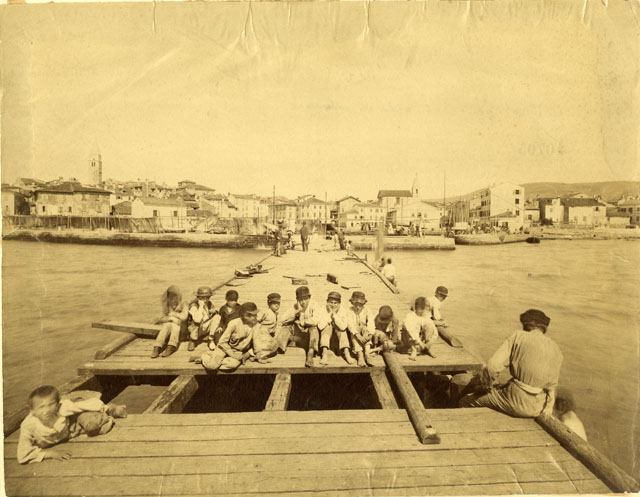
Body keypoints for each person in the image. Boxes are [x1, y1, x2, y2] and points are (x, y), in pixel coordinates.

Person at [458, 309, 563, 418]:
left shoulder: (518, 336)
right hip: (537, 407)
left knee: (465, 401)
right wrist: (548, 407)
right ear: (544, 328)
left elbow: (492, 367)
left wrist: (485, 387)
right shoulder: (556, 348)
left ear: (526, 325)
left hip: (514, 400)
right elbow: (552, 386)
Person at [17, 386, 127, 464]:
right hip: (69, 432)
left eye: (51, 405)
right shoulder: (28, 426)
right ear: (32, 411)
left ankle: (111, 410)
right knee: (93, 430)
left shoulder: (63, 408)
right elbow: (23, 455)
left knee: (92, 425)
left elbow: (84, 405)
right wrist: (51, 454)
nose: (47, 410)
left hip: (75, 418)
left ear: (58, 404)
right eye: (41, 407)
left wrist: (104, 408)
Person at [194, 302, 259, 371]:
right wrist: (232, 355)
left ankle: (213, 359)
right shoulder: (234, 323)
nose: (256, 317)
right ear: (245, 315)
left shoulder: (256, 326)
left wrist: (247, 354)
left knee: (232, 365)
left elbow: (257, 345)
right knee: (212, 366)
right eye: (253, 315)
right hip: (224, 349)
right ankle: (206, 356)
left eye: (255, 315)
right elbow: (222, 342)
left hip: (237, 352)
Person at [281, 286, 321, 367]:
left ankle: (310, 353)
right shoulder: (295, 306)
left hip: (310, 336)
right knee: (286, 327)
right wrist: (297, 311)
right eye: (300, 300)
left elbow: (316, 320)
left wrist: (303, 322)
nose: (303, 302)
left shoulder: (314, 305)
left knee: (314, 329)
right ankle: (279, 349)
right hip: (298, 335)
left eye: (305, 299)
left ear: (309, 298)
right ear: (297, 300)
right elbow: (282, 319)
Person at [317, 291, 354, 365]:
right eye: (331, 302)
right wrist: (329, 315)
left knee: (342, 331)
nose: (333, 305)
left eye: (335, 303)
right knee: (326, 327)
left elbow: (343, 327)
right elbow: (320, 326)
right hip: (326, 335)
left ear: (339, 303)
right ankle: (324, 355)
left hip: (338, 335)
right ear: (327, 302)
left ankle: (347, 354)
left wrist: (335, 316)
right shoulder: (322, 309)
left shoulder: (343, 311)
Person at [151, 285, 189, 358]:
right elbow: (160, 318)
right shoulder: (167, 304)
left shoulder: (184, 303)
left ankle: (171, 346)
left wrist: (173, 314)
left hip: (182, 330)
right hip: (170, 328)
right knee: (166, 325)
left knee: (175, 324)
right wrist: (170, 319)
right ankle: (157, 347)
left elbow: (184, 317)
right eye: (171, 297)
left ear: (179, 296)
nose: (173, 299)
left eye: (175, 297)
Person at [253, 293, 290, 363]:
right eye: (274, 303)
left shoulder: (275, 313)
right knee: (274, 345)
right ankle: (258, 356)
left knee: (274, 346)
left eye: (278, 303)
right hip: (262, 333)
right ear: (269, 303)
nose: (276, 305)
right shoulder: (265, 311)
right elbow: (255, 320)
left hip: (268, 335)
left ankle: (259, 355)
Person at [187, 286, 221, 351]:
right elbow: (197, 320)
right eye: (202, 298)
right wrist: (201, 306)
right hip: (196, 330)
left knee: (217, 317)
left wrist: (213, 312)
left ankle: (211, 339)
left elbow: (213, 315)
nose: (205, 300)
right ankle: (192, 341)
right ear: (198, 298)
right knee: (196, 323)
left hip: (205, 327)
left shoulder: (209, 304)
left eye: (207, 298)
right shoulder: (194, 306)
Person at [347, 291, 375, 367]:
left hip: (364, 333)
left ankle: (367, 353)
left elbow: (371, 323)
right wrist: (358, 335)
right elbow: (350, 325)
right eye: (356, 304)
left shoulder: (367, 311)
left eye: (360, 305)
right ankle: (360, 354)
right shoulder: (349, 311)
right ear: (352, 303)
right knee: (354, 330)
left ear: (363, 304)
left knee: (365, 328)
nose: (358, 307)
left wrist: (370, 335)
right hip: (354, 334)